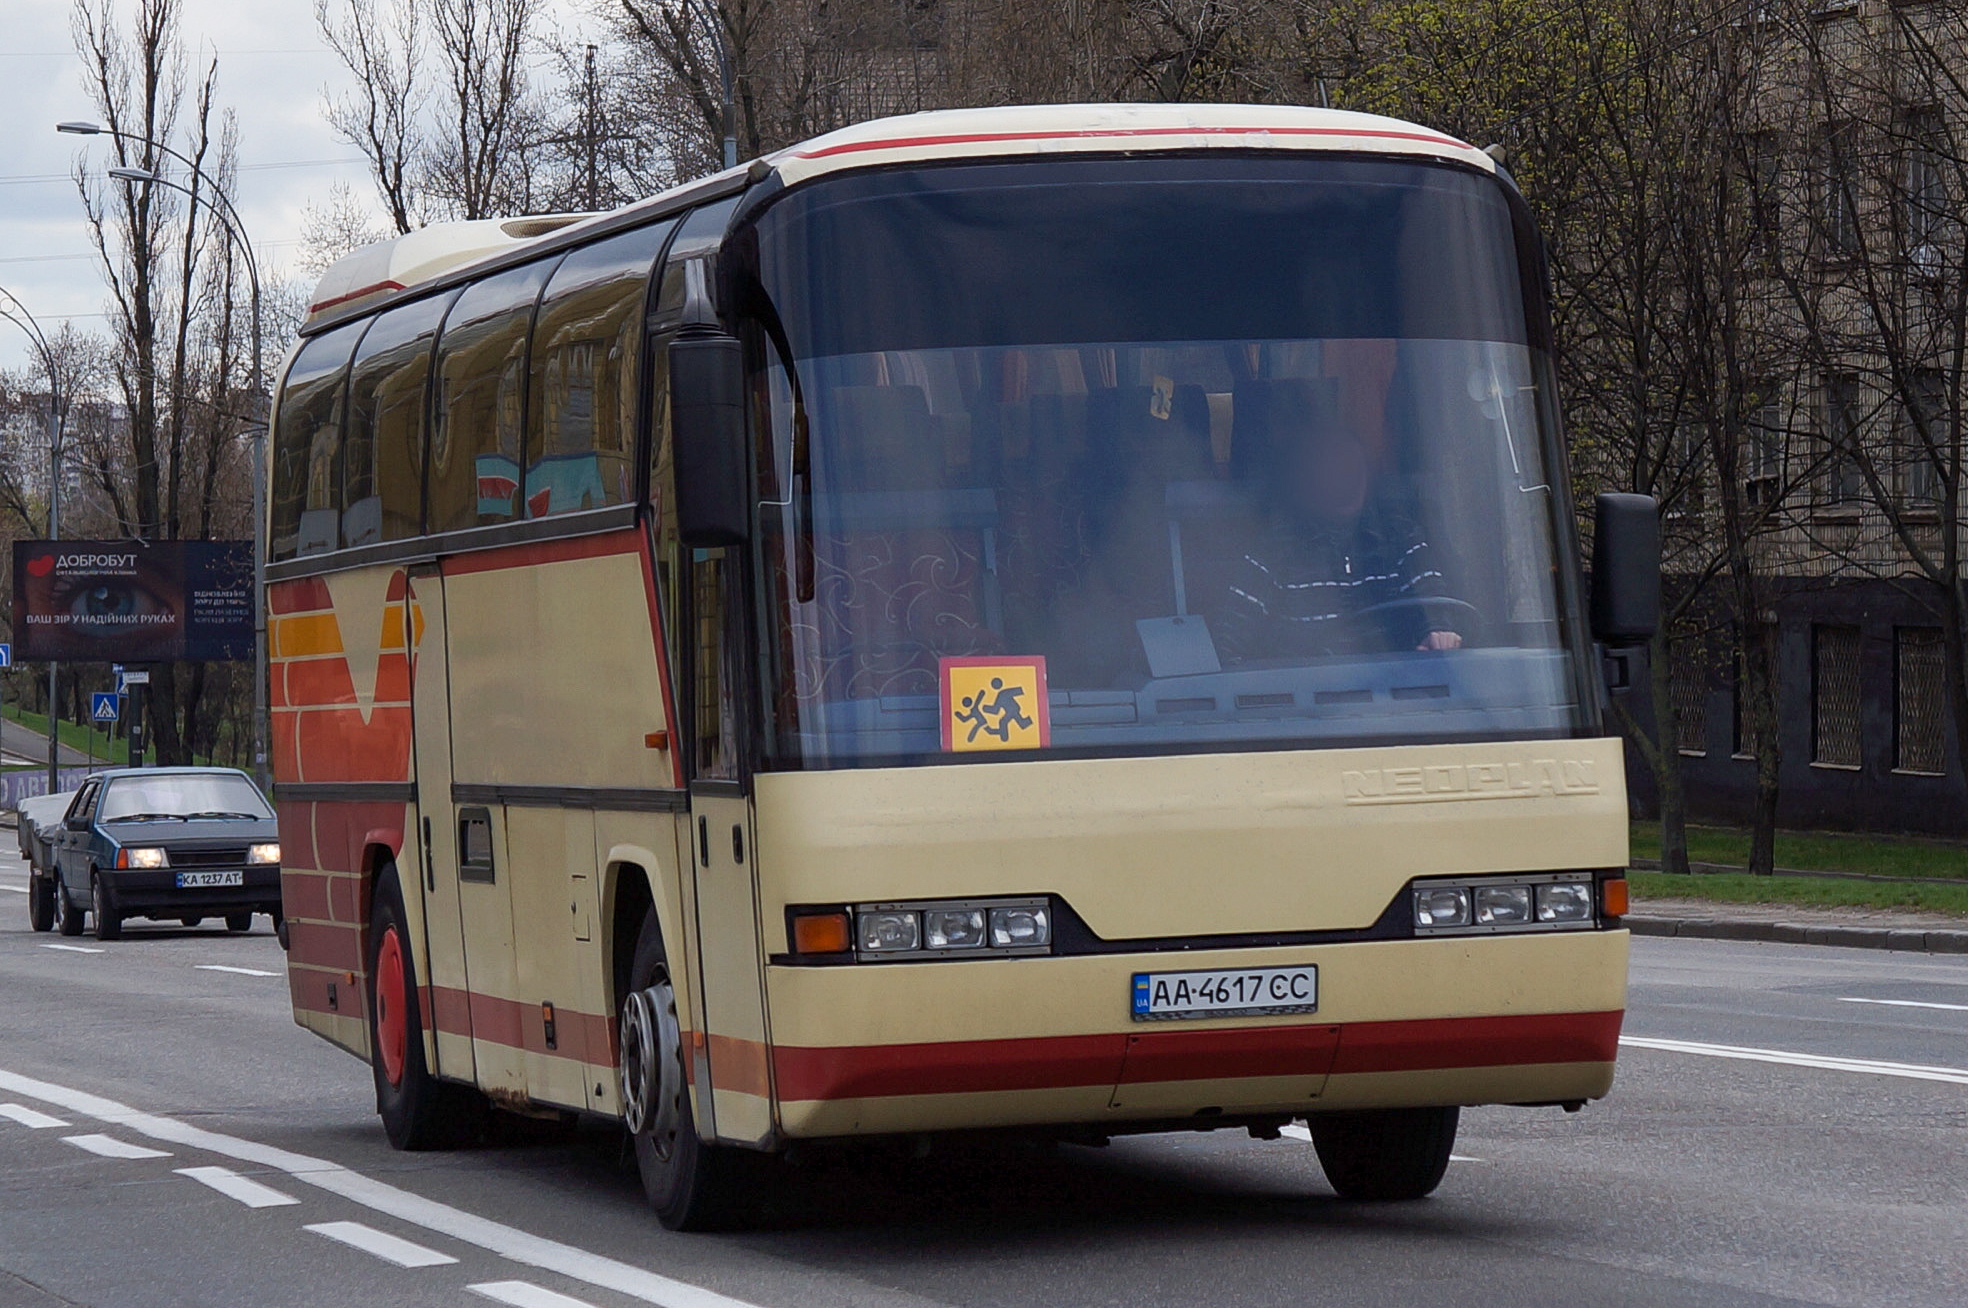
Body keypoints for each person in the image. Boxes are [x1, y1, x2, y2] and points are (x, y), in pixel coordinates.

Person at [1215, 379, 1462, 660]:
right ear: (1307, 481)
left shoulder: (1400, 536)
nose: (1342, 471)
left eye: (1349, 460)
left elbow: (1434, 599)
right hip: (1310, 698)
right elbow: (1228, 644)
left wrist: (1440, 632)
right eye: (1330, 464)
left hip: (1402, 697)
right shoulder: (1272, 553)